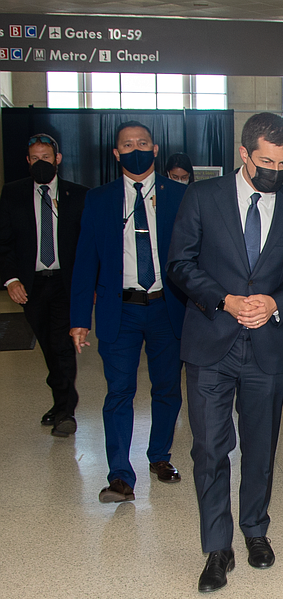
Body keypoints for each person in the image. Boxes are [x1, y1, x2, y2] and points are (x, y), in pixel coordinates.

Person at [167, 112, 283, 594]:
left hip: (267, 348)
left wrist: (275, 302)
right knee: (210, 448)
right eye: (267, 161)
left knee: (261, 445)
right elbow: (180, 263)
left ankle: (254, 530)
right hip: (212, 341)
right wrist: (225, 299)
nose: (276, 170)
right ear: (244, 153)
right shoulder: (203, 197)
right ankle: (217, 547)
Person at [69, 120, 188, 503]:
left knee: (167, 389)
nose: (135, 148)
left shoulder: (181, 196)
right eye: (127, 144)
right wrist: (77, 320)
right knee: (118, 392)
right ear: (116, 153)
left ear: (155, 149)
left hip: (166, 309)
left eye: (143, 142)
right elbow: (86, 261)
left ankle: (159, 456)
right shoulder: (99, 199)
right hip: (118, 311)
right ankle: (120, 475)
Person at [0, 133, 88, 437]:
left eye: (46, 158)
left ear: (58, 159)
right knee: (49, 348)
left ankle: (66, 412)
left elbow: (88, 247)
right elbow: (4, 243)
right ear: (27, 161)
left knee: (63, 346)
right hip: (31, 285)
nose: (41, 163)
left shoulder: (78, 195)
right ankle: (59, 401)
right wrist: (11, 280)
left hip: (66, 283)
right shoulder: (12, 194)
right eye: (35, 159)